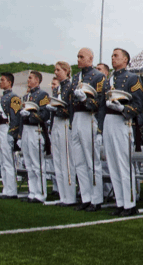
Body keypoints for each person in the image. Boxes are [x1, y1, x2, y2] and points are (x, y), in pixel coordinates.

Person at [104, 48, 143, 216]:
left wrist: (123, 109)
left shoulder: (132, 78)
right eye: (112, 56)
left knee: (123, 163)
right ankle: (120, 202)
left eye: (116, 56)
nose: (113, 58)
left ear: (125, 60)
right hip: (108, 120)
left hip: (123, 120)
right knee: (112, 164)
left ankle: (129, 203)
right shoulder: (109, 79)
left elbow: (139, 104)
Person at [69, 49, 107, 211]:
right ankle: (85, 197)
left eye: (81, 57)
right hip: (77, 117)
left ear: (91, 59)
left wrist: (86, 100)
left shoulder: (98, 77)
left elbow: (100, 101)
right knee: (79, 162)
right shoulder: (76, 78)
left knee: (92, 161)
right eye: (77, 56)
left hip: (89, 115)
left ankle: (96, 199)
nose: (78, 59)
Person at [15, 71, 51, 203]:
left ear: (37, 80)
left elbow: (45, 114)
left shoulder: (43, 95)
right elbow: (20, 118)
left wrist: (30, 115)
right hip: (26, 130)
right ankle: (32, 192)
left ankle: (41, 193)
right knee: (29, 164)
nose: (28, 80)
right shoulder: (26, 96)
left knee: (37, 164)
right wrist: (19, 136)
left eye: (30, 78)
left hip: (36, 129)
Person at [46, 63, 77, 205]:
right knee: (57, 160)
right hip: (56, 123)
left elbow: (71, 108)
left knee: (67, 161)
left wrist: (59, 109)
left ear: (66, 71)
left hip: (65, 122)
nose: (56, 72)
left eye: (58, 70)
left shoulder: (70, 86)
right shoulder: (57, 89)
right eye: (55, 70)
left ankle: (70, 196)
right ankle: (62, 195)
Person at [0, 73, 22, 198]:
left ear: (9, 82)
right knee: (2, 160)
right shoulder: (3, 97)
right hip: (0, 128)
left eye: (3, 80)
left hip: (7, 128)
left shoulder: (14, 97)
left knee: (8, 161)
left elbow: (15, 117)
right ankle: (6, 189)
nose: (0, 82)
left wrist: (12, 133)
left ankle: (11, 190)